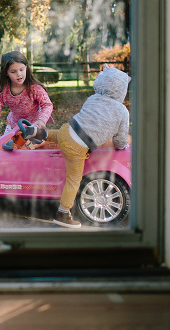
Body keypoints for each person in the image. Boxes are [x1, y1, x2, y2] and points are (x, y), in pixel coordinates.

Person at [22, 66, 130, 229]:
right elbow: (120, 141)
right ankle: (63, 213)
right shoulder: (122, 112)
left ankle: (39, 132)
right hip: (78, 147)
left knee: (62, 135)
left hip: (68, 129)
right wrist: (121, 145)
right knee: (73, 181)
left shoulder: (93, 98)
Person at [0, 51, 53, 136]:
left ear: (26, 68)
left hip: (34, 126)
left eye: (21, 69)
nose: (19, 74)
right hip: (13, 127)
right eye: (13, 71)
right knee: (7, 144)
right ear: (6, 73)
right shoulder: (3, 90)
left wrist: (41, 120)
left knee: (34, 144)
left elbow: (47, 105)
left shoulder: (35, 88)